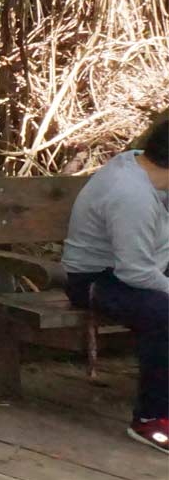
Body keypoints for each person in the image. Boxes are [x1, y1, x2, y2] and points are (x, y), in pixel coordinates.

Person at [62, 116, 169, 452]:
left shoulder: (145, 167)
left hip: (145, 266)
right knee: (163, 313)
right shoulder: (130, 195)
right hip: (100, 278)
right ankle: (152, 419)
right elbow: (136, 274)